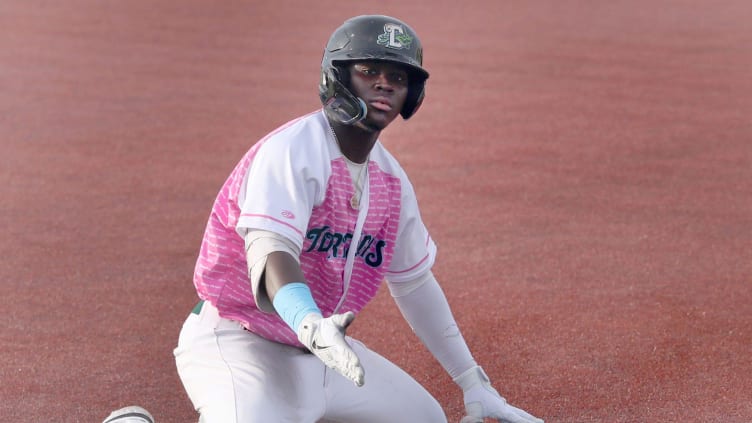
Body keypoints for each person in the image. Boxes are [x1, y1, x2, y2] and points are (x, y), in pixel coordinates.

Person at [172, 14, 544, 423]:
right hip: (240, 341)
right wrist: (311, 323)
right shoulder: (294, 150)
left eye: (398, 77)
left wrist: (473, 382)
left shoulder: (391, 182)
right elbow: (271, 250)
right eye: (368, 70)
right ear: (338, 78)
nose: (385, 83)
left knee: (425, 418)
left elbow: (415, 283)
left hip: (322, 353)